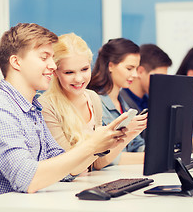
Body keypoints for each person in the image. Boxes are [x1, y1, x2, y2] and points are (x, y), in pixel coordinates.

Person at [0, 23, 129, 211]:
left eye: (53, 58)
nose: (53, 66)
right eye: (44, 57)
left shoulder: (32, 109)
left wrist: (101, 145)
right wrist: (91, 145)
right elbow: (28, 180)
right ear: (16, 62)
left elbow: (66, 171)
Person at [39, 33, 146, 169]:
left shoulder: (92, 98)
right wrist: (97, 143)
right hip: (64, 187)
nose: (79, 79)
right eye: (69, 72)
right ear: (55, 72)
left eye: (84, 69)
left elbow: (98, 163)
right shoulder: (46, 106)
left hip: (89, 182)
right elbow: (68, 168)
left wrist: (127, 134)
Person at [88, 38, 147, 164]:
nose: (136, 74)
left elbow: (137, 146)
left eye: (136, 69)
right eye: (129, 68)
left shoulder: (123, 103)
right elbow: (102, 158)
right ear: (110, 66)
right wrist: (149, 158)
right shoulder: (94, 102)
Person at [120, 44, 172, 113]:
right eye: (159, 77)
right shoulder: (120, 103)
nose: (162, 83)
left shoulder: (152, 103)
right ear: (140, 72)